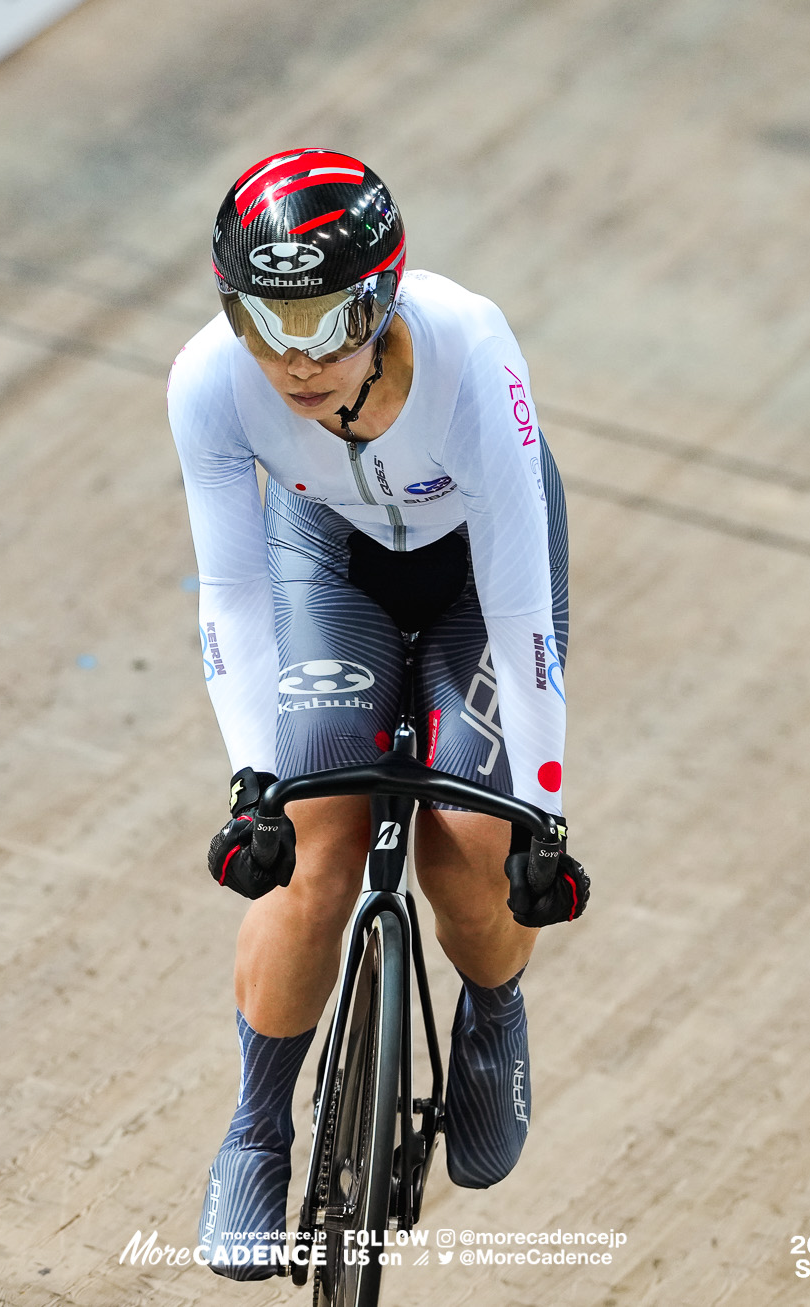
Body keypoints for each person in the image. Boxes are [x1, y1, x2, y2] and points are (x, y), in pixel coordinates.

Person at [168, 147, 590, 1280]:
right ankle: (257, 1128)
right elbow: (231, 592)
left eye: (325, 324)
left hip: (474, 578)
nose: (294, 361)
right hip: (327, 566)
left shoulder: (470, 352)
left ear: (382, 300)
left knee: (470, 856)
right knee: (315, 850)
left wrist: (543, 816)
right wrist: (253, 779)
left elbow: (518, 605)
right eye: (266, 322)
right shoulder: (209, 380)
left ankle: (492, 1006)